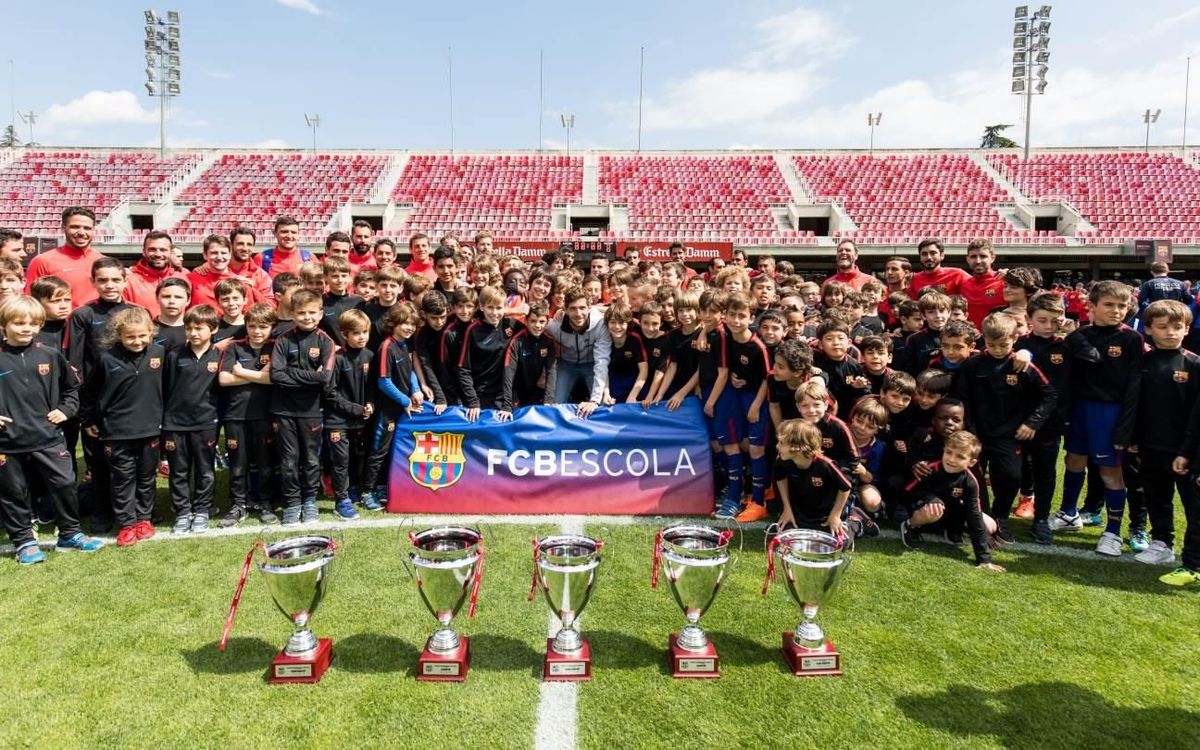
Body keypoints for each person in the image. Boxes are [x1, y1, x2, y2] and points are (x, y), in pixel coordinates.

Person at [0, 297, 103, 565]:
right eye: (19, 323)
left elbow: (71, 388)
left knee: (65, 483)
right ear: (4, 325)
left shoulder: (49, 354)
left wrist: (66, 410)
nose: (26, 328)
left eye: (33, 324)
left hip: (47, 436)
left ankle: (69, 532)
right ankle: (24, 541)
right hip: (7, 443)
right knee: (14, 492)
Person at [1049, 281, 1143, 557]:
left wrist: (1128, 425)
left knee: (1110, 470)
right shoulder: (1082, 333)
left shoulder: (1131, 338)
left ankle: (1112, 531)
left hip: (1110, 411)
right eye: (1109, 305)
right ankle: (1068, 512)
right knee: (1073, 459)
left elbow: (1130, 382)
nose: (1116, 311)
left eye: (1122, 306)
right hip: (1080, 408)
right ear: (1091, 306)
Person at [956, 312, 1056, 543]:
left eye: (1003, 344)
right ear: (984, 340)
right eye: (992, 345)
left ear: (1014, 339)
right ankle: (981, 517)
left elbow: (1049, 395)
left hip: (1009, 435)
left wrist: (1032, 423)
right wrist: (969, 431)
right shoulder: (973, 364)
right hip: (977, 434)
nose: (997, 349)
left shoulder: (1022, 365)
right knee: (975, 478)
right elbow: (964, 399)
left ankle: (1000, 516)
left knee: (1011, 476)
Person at [1128, 301, 1200, 570]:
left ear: (1187, 330)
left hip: (1186, 449)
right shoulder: (1141, 363)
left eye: (1177, 327)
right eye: (1162, 327)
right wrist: (1132, 436)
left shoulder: (1194, 364)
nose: (1170, 332)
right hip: (1150, 445)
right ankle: (1162, 543)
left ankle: (1194, 551)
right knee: (1158, 497)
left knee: (1193, 503)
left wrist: (1188, 448)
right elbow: (1134, 404)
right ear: (1148, 329)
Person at [83, 307, 164, 548]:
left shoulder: (159, 353)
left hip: (150, 429)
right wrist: (89, 420)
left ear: (151, 332)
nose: (137, 341)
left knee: (147, 477)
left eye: (142, 335)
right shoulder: (106, 358)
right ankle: (127, 524)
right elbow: (88, 391)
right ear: (119, 336)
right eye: (130, 337)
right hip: (116, 431)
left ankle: (144, 519)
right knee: (122, 479)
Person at [68, 257, 135, 532]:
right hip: (95, 401)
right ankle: (102, 512)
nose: (109, 285)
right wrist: (86, 412)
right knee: (97, 459)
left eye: (115, 279)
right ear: (93, 282)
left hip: (127, 399)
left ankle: (133, 511)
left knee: (132, 460)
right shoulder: (83, 315)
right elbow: (75, 364)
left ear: (124, 281)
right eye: (103, 280)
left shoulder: (134, 312)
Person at [1014, 291, 1076, 542]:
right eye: (1042, 320)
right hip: (1017, 420)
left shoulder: (1067, 345)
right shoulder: (1019, 345)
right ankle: (1002, 513)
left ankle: (1041, 518)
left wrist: (1074, 333)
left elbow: (1091, 359)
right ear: (1030, 319)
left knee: (1046, 471)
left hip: (1050, 422)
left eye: (1055, 320)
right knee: (1014, 469)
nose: (1049, 326)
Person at [270, 289, 336, 525]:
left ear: (320, 314)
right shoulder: (283, 339)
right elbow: (276, 375)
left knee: (309, 459)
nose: (307, 317)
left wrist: (292, 373)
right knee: (288, 460)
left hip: (311, 410)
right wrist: (311, 376)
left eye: (312, 313)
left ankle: (309, 500)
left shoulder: (326, 341)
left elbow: (325, 377)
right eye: (301, 313)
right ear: (292, 314)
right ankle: (292, 502)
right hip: (283, 409)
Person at [900, 431, 1005, 572]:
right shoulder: (929, 469)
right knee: (935, 508)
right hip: (928, 512)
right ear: (944, 450)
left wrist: (984, 558)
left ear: (971, 462)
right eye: (949, 452)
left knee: (989, 526)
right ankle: (910, 526)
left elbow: (974, 514)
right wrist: (930, 498)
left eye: (960, 456)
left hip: (950, 515)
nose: (952, 459)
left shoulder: (970, 481)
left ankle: (953, 531)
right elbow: (907, 492)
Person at [217, 303, 279, 527]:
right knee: (237, 464)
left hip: (264, 414)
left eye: (263, 326)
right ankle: (238, 504)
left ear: (272, 327)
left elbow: (273, 378)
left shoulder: (275, 346)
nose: (257, 331)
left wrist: (242, 372)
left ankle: (265, 502)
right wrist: (257, 375)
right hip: (236, 415)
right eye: (252, 326)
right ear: (246, 326)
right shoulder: (234, 347)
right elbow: (223, 380)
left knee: (264, 463)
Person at [163, 305, 222, 535]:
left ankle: (202, 510)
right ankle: (182, 512)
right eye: (189, 328)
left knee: (205, 469)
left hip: (206, 422)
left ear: (213, 329)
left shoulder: (219, 355)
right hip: (175, 423)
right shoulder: (174, 355)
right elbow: (164, 388)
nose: (193, 333)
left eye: (199, 328)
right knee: (179, 470)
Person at [361, 303, 424, 509]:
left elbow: (410, 372)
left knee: (391, 450)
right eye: (405, 323)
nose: (409, 328)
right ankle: (367, 491)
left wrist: (415, 389)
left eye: (412, 325)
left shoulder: (405, 344)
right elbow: (384, 381)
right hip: (387, 409)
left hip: (400, 408)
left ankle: (381, 486)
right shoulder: (386, 346)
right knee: (379, 449)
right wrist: (405, 401)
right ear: (393, 324)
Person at [720, 294, 775, 523]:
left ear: (751, 318)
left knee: (756, 450)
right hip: (736, 397)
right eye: (732, 315)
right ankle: (738, 495)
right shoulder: (726, 337)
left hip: (756, 401)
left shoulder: (758, 347)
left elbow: (767, 379)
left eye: (742, 316)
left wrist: (755, 404)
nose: (736, 320)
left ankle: (759, 502)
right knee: (736, 444)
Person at [325, 309, 375, 519]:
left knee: (357, 457)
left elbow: (373, 386)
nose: (361, 337)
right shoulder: (337, 358)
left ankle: (354, 490)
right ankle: (341, 500)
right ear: (344, 335)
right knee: (341, 461)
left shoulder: (370, 356)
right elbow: (329, 392)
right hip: (338, 420)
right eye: (356, 333)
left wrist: (371, 404)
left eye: (364, 332)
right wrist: (356, 409)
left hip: (361, 419)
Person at [774, 419, 852, 534]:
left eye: (781, 443)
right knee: (785, 536)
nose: (777, 446)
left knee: (838, 541)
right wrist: (787, 509)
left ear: (798, 448)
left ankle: (856, 523)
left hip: (826, 514)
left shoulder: (826, 465)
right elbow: (780, 479)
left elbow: (846, 487)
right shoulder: (782, 460)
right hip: (801, 512)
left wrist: (835, 515)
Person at [24, 207, 109, 309]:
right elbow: (30, 302)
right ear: (63, 227)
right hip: (60, 324)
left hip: (98, 323)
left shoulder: (104, 262)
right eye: (75, 227)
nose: (82, 232)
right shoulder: (42, 261)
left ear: (93, 230)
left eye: (87, 228)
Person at [546, 287, 611, 418]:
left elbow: (602, 361)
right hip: (566, 366)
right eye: (573, 308)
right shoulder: (554, 325)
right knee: (555, 404)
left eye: (582, 308)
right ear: (565, 309)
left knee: (603, 403)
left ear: (590, 308)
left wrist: (594, 400)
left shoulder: (600, 324)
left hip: (591, 366)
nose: (578, 313)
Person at [459, 287, 519, 421]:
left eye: (499, 308)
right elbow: (463, 368)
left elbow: (536, 330)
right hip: (480, 395)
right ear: (481, 307)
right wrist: (473, 401)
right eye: (490, 307)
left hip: (505, 394)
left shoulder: (512, 325)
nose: (494, 313)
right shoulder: (473, 330)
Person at [499, 300, 558, 416]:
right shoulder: (517, 341)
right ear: (526, 321)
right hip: (517, 390)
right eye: (533, 321)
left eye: (542, 322)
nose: (537, 325)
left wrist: (549, 400)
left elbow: (551, 371)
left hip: (536, 389)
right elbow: (508, 373)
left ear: (547, 323)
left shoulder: (549, 342)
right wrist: (506, 405)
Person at [812, 316, 871, 420]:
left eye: (840, 338)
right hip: (820, 413)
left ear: (849, 343)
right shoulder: (816, 361)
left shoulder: (854, 365)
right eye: (829, 339)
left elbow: (866, 390)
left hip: (847, 414)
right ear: (820, 344)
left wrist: (859, 386)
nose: (836, 342)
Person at [188, 234, 263, 311]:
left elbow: (248, 316)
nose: (220, 257)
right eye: (214, 253)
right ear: (205, 255)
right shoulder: (191, 279)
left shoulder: (241, 284)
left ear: (230, 255)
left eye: (223, 253)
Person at [122, 231, 184, 317]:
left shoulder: (183, 277)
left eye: (163, 250)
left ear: (170, 252)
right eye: (152, 249)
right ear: (144, 252)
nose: (158, 254)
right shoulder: (128, 280)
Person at [602, 302, 648, 405]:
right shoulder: (604, 339)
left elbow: (644, 370)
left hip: (634, 381)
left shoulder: (634, 339)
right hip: (614, 381)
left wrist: (633, 395)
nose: (617, 327)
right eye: (613, 322)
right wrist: (606, 393)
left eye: (621, 322)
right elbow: (602, 369)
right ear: (607, 323)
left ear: (628, 324)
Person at [959, 238, 1006, 328]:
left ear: (992, 258)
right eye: (973, 257)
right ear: (967, 259)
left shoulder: (1004, 281)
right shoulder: (963, 284)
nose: (978, 261)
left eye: (983, 256)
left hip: (997, 338)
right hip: (970, 338)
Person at [319, 256, 364, 349]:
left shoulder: (359, 301)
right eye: (335, 276)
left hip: (357, 354)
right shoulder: (320, 302)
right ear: (325, 277)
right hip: (332, 354)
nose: (340, 280)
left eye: (344, 276)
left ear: (349, 277)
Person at [1137, 262, 1191, 331]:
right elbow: (1189, 300)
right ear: (1167, 271)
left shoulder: (1149, 284)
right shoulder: (1180, 284)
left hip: (1156, 315)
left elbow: (1141, 301)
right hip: (1175, 314)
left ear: (1152, 272)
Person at [228, 226, 274, 303]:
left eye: (249, 244)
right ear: (231, 245)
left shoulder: (261, 275)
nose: (245, 248)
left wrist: (252, 289)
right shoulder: (218, 269)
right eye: (240, 244)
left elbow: (271, 305)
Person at [30, 276, 72, 351]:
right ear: (37, 302)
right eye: (55, 301)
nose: (63, 306)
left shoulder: (75, 328)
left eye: (67, 300)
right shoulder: (29, 330)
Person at [153, 277, 191, 353]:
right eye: (166, 297)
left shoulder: (195, 330)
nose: (172, 301)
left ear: (188, 300)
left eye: (178, 297)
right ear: (157, 298)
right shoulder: (148, 329)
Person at [214, 279, 248, 345]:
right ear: (218, 302)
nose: (231, 303)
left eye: (235, 298)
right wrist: (216, 348)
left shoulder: (253, 325)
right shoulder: (213, 327)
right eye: (225, 299)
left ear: (245, 300)